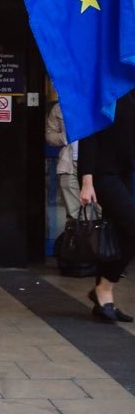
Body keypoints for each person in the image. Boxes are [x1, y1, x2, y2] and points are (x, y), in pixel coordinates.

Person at [78, 88, 135, 323]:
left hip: (123, 174)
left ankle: (103, 298)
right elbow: (89, 137)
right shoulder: (106, 92)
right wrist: (86, 181)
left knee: (116, 234)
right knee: (132, 229)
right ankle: (105, 288)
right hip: (102, 174)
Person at [46, 98, 80, 220]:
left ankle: (94, 238)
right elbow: (49, 135)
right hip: (69, 162)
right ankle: (79, 237)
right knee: (73, 212)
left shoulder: (99, 102)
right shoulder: (59, 107)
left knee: (96, 209)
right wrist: (64, 138)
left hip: (97, 163)